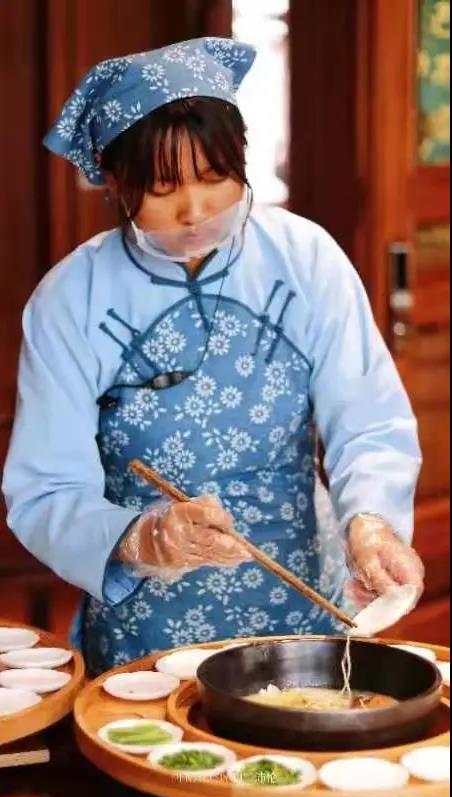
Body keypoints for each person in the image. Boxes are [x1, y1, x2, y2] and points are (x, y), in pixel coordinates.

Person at [2, 37, 425, 675]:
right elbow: (46, 490)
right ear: (114, 183)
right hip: (150, 636)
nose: (195, 210)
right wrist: (146, 537)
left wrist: (372, 522)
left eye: (215, 177)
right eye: (163, 186)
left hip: (304, 608)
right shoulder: (70, 299)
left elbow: (369, 422)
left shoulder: (305, 259)